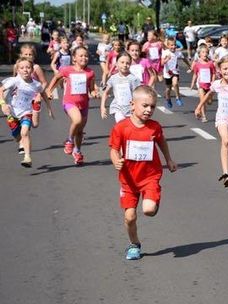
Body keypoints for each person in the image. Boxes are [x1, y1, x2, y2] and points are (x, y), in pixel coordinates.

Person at [109, 85, 177, 260]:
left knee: (148, 210)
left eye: (152, 107)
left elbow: (162, 142)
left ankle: (153, 201)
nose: (149, 110)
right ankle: (134, 244)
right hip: (128, 179)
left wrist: (168, 159)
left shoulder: (154, 127)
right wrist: (116, 160)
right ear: (132, 104)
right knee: (130, 217)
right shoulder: (121, 127)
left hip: (150, 176)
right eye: (145, 105)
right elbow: (114, 149)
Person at [194, 55, 228, 187]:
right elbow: (208, 94)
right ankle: (226, 173)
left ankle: (225, 156)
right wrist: (199, 107)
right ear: (219, 70)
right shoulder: (217, 84)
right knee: (226, 141)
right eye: (225, 69)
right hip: (222, 118)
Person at [46, 46, 98, 165]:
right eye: (81, 55)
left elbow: (91, 89)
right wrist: (49, 90)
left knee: (80, 131)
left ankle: (77, 151)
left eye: (86, 56)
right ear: (74, 58)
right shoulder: (67, 70)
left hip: (84, 104)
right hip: (70, 102)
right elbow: (56, 77)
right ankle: (69, 141)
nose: (84, 58)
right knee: (77, 120)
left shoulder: (90, 72)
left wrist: (94, 93)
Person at [0, 59, 51, 167]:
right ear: (18, 70)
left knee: (24, 133)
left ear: (32, 70)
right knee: (17, 136)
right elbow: (1, 90)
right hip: (12, 112)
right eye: (22, 68)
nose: (25, 70)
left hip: (26, 112)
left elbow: (43, 93)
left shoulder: (36, 84)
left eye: (28, 67)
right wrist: (3, 104)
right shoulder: (14, 81)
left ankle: (27, 157)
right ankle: (20, 142)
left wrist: (49, 108)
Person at [100, 52, 140, 123]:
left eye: (127, 63)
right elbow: (105, 92)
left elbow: (138, 95)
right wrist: (102, 107)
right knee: (121, 124)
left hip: (131, 109)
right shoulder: (113, 78)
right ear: (117, 64)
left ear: (130, 64)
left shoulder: (133, 79)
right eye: (122, 62)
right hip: (118, 108)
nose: (125, 65)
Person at [17, 44, 48, 129]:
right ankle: (24, 135)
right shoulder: (18, 67)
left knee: (35, 124)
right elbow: (15, 81)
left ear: (34, 56)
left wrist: (39, 94)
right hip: (21, 98)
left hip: (34, 98)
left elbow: (44, 82)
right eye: (25, 54)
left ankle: (26, 128)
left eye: (30, 54)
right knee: (24, 125)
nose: (28, 56)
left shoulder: (36, 67)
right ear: (21, 55)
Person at [161, 37, 190, 108]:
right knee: (168, 89)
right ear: (168, 46)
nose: (173, 47)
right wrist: (167, 59)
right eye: (171, 45)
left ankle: (178, 98)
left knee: (175, 83)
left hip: (175, 72)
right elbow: (162, 63)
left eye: (174, 45)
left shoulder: (178, 53)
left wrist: (190, 66)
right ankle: (168, 99)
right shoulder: (165, 53)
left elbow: (184, 59)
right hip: (167, 73)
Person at [191, 46, 216, 123]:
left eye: (206, 52)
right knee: (202, 101)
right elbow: (195, 74)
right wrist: (192, 84)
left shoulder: (210, 63)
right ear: (199, 54)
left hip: (209, 85)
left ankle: (210, 99)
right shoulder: (197, 64)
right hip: (201, 85)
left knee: (209, 102)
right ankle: (204, 116)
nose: (205, 54)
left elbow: (214, 73)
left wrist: (213, 82)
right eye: (203, 52)